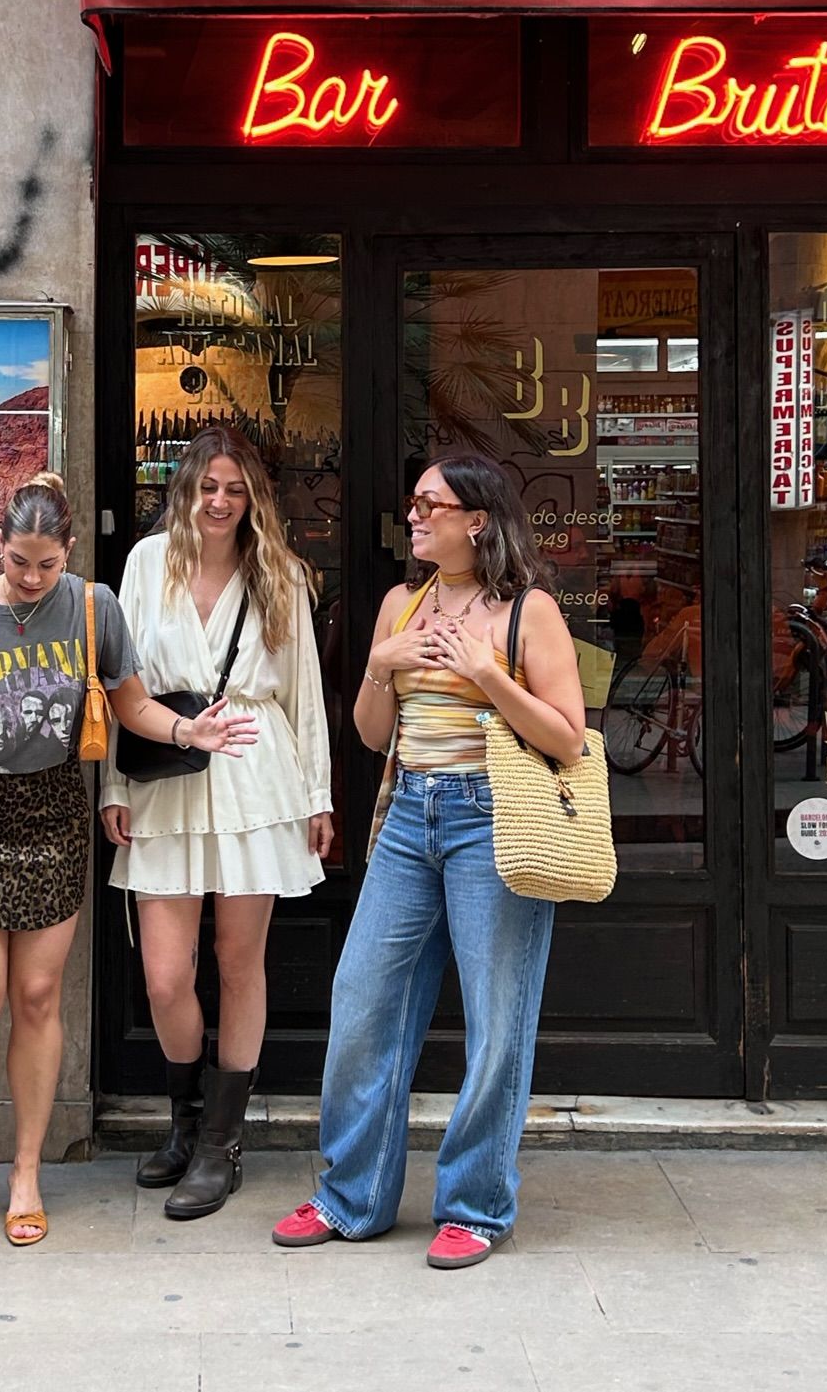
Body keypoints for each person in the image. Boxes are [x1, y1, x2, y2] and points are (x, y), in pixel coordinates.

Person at [0, 472, 252, 1249]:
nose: (31, 578)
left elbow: (129, 702)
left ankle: (26, 1172)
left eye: (45, 564)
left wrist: (188, 733)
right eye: (18, 561)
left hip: (55, 810)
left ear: (69, 551)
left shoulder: (93, 606)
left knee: (36, 993)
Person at [272, 451, 585, 1270]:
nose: (412, 516)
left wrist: (487, 676)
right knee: (363, 997)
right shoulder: (398, 604)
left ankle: (476, 1205)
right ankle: (352, 1197)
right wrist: (381, 665)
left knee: (496, 1013)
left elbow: (567, 735)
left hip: (495, 816)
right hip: (411, 813)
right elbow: (375, 733)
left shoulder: (530, 612)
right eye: (413, 503)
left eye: (428, 504)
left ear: (476, 520)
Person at [100, 425, 333, 1222]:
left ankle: (221, 1144)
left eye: (234, 488)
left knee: (240, 962)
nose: (220, 501)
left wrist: (319, 796)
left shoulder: (279, 574)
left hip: (253, 773)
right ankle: (185, 1120)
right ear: (185, 487)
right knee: (166, 974)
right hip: (165, 774)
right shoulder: (143, 562)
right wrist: (112, 785)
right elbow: (119, 685)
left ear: (252, 495)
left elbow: (304, 693)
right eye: (208, 486)